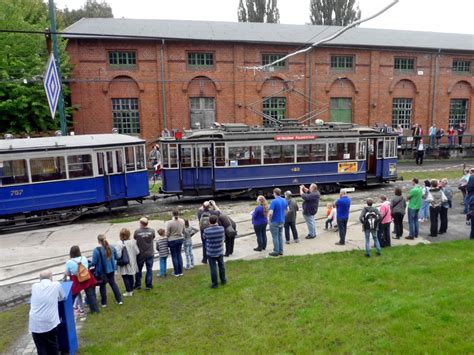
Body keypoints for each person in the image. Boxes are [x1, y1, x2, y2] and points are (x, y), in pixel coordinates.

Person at [29, 270, 65, 355]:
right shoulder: (56, 285)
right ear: (51, 277)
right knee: (53, 345)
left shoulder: (34, 286)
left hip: (35, 323)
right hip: (49, 322)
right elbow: (62, 297)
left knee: (40, 348)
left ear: (40, 279)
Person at [65, 245, 99, 314]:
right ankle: (95, 310)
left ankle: (67, 311)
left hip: (76, 279)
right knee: (90, 294)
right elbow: (87, 267)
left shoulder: (69, 262)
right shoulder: (84, 258)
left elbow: (67, 273)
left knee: (72, 295)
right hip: (86, 277)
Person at [92, 234, 123, 306]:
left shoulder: (96, 250)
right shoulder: (112, 247)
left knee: (102, 286)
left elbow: (94, 262)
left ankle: (104, 303)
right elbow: (116, 257)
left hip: (102, 271)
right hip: (111, 269)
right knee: (113, 283)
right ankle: (119, 300)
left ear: (98, 241)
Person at [203, 215, 227, 288]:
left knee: (213, 268)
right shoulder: (221, 229)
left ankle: (215, 284)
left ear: (209, 222)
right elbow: (223, 237)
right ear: (217, 221)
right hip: (219, 250)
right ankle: (223, 280)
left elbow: (204, 237)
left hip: (211, 252)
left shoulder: (206, 231)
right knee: (221, 266)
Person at [115, 228, 140, 297]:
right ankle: (131, 290)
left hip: (124, 263)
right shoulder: (133, 241)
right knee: (131, 276)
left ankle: (128, 291)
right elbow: (137, 252)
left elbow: (118, 255)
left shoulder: (119, 243)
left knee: (125, 277)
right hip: (132, 262)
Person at [133, 217, 155, 290]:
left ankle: (138, 284)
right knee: (149, 269)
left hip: (140, 254)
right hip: (150, 253)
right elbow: (153, 237)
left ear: (141, 223)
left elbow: (135, 238)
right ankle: (148, 285)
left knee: (138, 269)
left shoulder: (137, 231)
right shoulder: (152, 231)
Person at [268, 188, 288, 256]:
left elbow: (270, 213)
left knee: (275, 237)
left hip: (275, 221)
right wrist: (283, 216)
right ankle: (281, 251)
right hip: (282, 220)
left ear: (274, 193)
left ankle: (276, 251)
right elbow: (287, 210)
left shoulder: (274, 201)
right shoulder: (284, 200)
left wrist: (270, 219)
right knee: (280, 235)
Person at [166, 209, 185, 276]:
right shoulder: (182, 221)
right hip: (180, 239)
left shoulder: (169, 222)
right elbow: (183, 230)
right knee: (179, 255)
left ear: (172, 214)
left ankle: (176, 272)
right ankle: (181, 271)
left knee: (174, 256)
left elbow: (167, 233)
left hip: (172, 240)